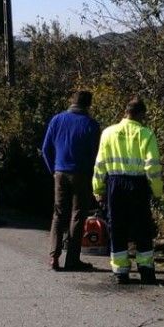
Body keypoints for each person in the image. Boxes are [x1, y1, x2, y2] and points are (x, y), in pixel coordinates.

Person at [92, 97, 163, 285]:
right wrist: (157, 191)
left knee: (116, 226)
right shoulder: (146, 134)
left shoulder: (108, 133)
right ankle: (146, 269)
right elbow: (153, 166)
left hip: (115, 184)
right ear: (141, 114)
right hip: (138, 185)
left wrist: (97, 188)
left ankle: (120, 270)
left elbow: (100, 164)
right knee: (142, 227)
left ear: (125, 111)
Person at [41, 90, 101, 271]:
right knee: (77, 215)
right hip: (81, 173)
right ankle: (72, 259)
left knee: (59, 214)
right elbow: (95, 153)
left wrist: (53, 169)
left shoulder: (57, 120)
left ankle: (54, 256)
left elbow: (45, 148)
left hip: (60, 171)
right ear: (88, 105)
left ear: (72, 102)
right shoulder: (91, 124)